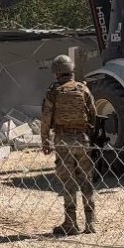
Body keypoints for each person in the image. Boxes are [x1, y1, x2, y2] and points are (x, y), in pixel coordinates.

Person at [40, 55, 98, 236]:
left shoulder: (54, 92)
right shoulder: (83, 89)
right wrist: (88, 133)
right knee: (86, 180)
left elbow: (46, 118)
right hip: (82, 139)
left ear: (56, 72)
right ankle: (90, 222)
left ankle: (71, 223)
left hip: (63, 140)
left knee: (68, 182)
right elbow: (93, 113)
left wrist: (45, 140)